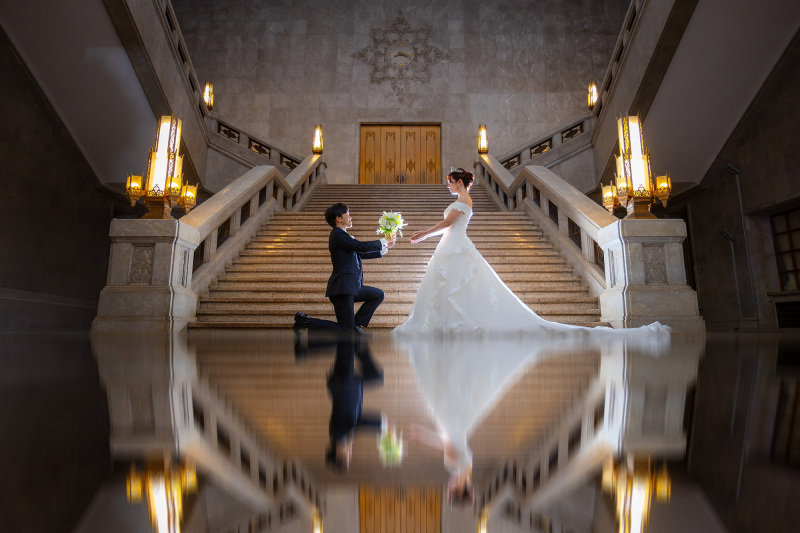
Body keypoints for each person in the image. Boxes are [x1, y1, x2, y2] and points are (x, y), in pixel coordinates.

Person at [393, 168, 669, 337]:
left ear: (460, 183)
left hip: (454, 246)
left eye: (450, 181)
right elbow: (448, 226)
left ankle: (452, 324)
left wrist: (422, 234)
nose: (448, 185)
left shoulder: (463, 201)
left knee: (453, 286)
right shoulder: (464, 200)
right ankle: (449, 324)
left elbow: (446, 224)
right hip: (453, 245)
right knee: (452, 287)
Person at [295, 202, 396, 336]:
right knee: (346, 331)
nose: (350, 217)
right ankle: (305, 322)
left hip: (351, 287)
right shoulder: (337, 235)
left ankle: (356, 323)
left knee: (378, 294)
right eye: (347, 213)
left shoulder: (343, 235)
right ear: (338, 218)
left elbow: (359, 253)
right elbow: (360, 246)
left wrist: (385, 248)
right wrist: (383, 240)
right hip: (342, 288)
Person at [325, 337, 385, 471]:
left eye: (347, 457)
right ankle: (358, 342)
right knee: (346, 344)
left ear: (339, 454)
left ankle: (356, 336)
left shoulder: (338, 434)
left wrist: (382, 425)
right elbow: (357, 422)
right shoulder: (342, 436)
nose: (350, 454)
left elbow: (359, 424)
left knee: (346, 343)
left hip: (344, 384)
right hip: (348, 385)